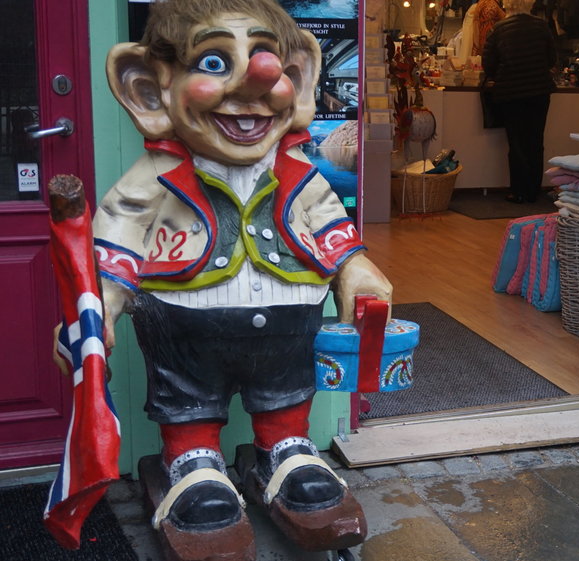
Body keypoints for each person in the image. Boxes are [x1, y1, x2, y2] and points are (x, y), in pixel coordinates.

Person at [89, 0, 391, 557]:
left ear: (296, 78)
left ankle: (286, 448)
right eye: (212, 62)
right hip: (182, 325)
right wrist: (102, 302)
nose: (255, 83)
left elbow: (329, 221)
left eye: (267, 60)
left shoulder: (297, 172)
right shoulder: (154, 177)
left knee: (286, 388)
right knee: (187, 397)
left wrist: (354, 265)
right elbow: (119, 235)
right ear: (150, 91)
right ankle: (192, 461)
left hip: (289, 323)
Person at [482, 0, 556, 204]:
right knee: (536, 141)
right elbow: (552, 59)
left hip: (511, 92)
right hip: (539, 92)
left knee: (517, 143)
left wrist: (499, 75)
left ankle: (519, 191)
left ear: (508, 5)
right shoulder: (542, 26)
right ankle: (533, 190)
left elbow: (488, 63)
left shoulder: (499, 29)